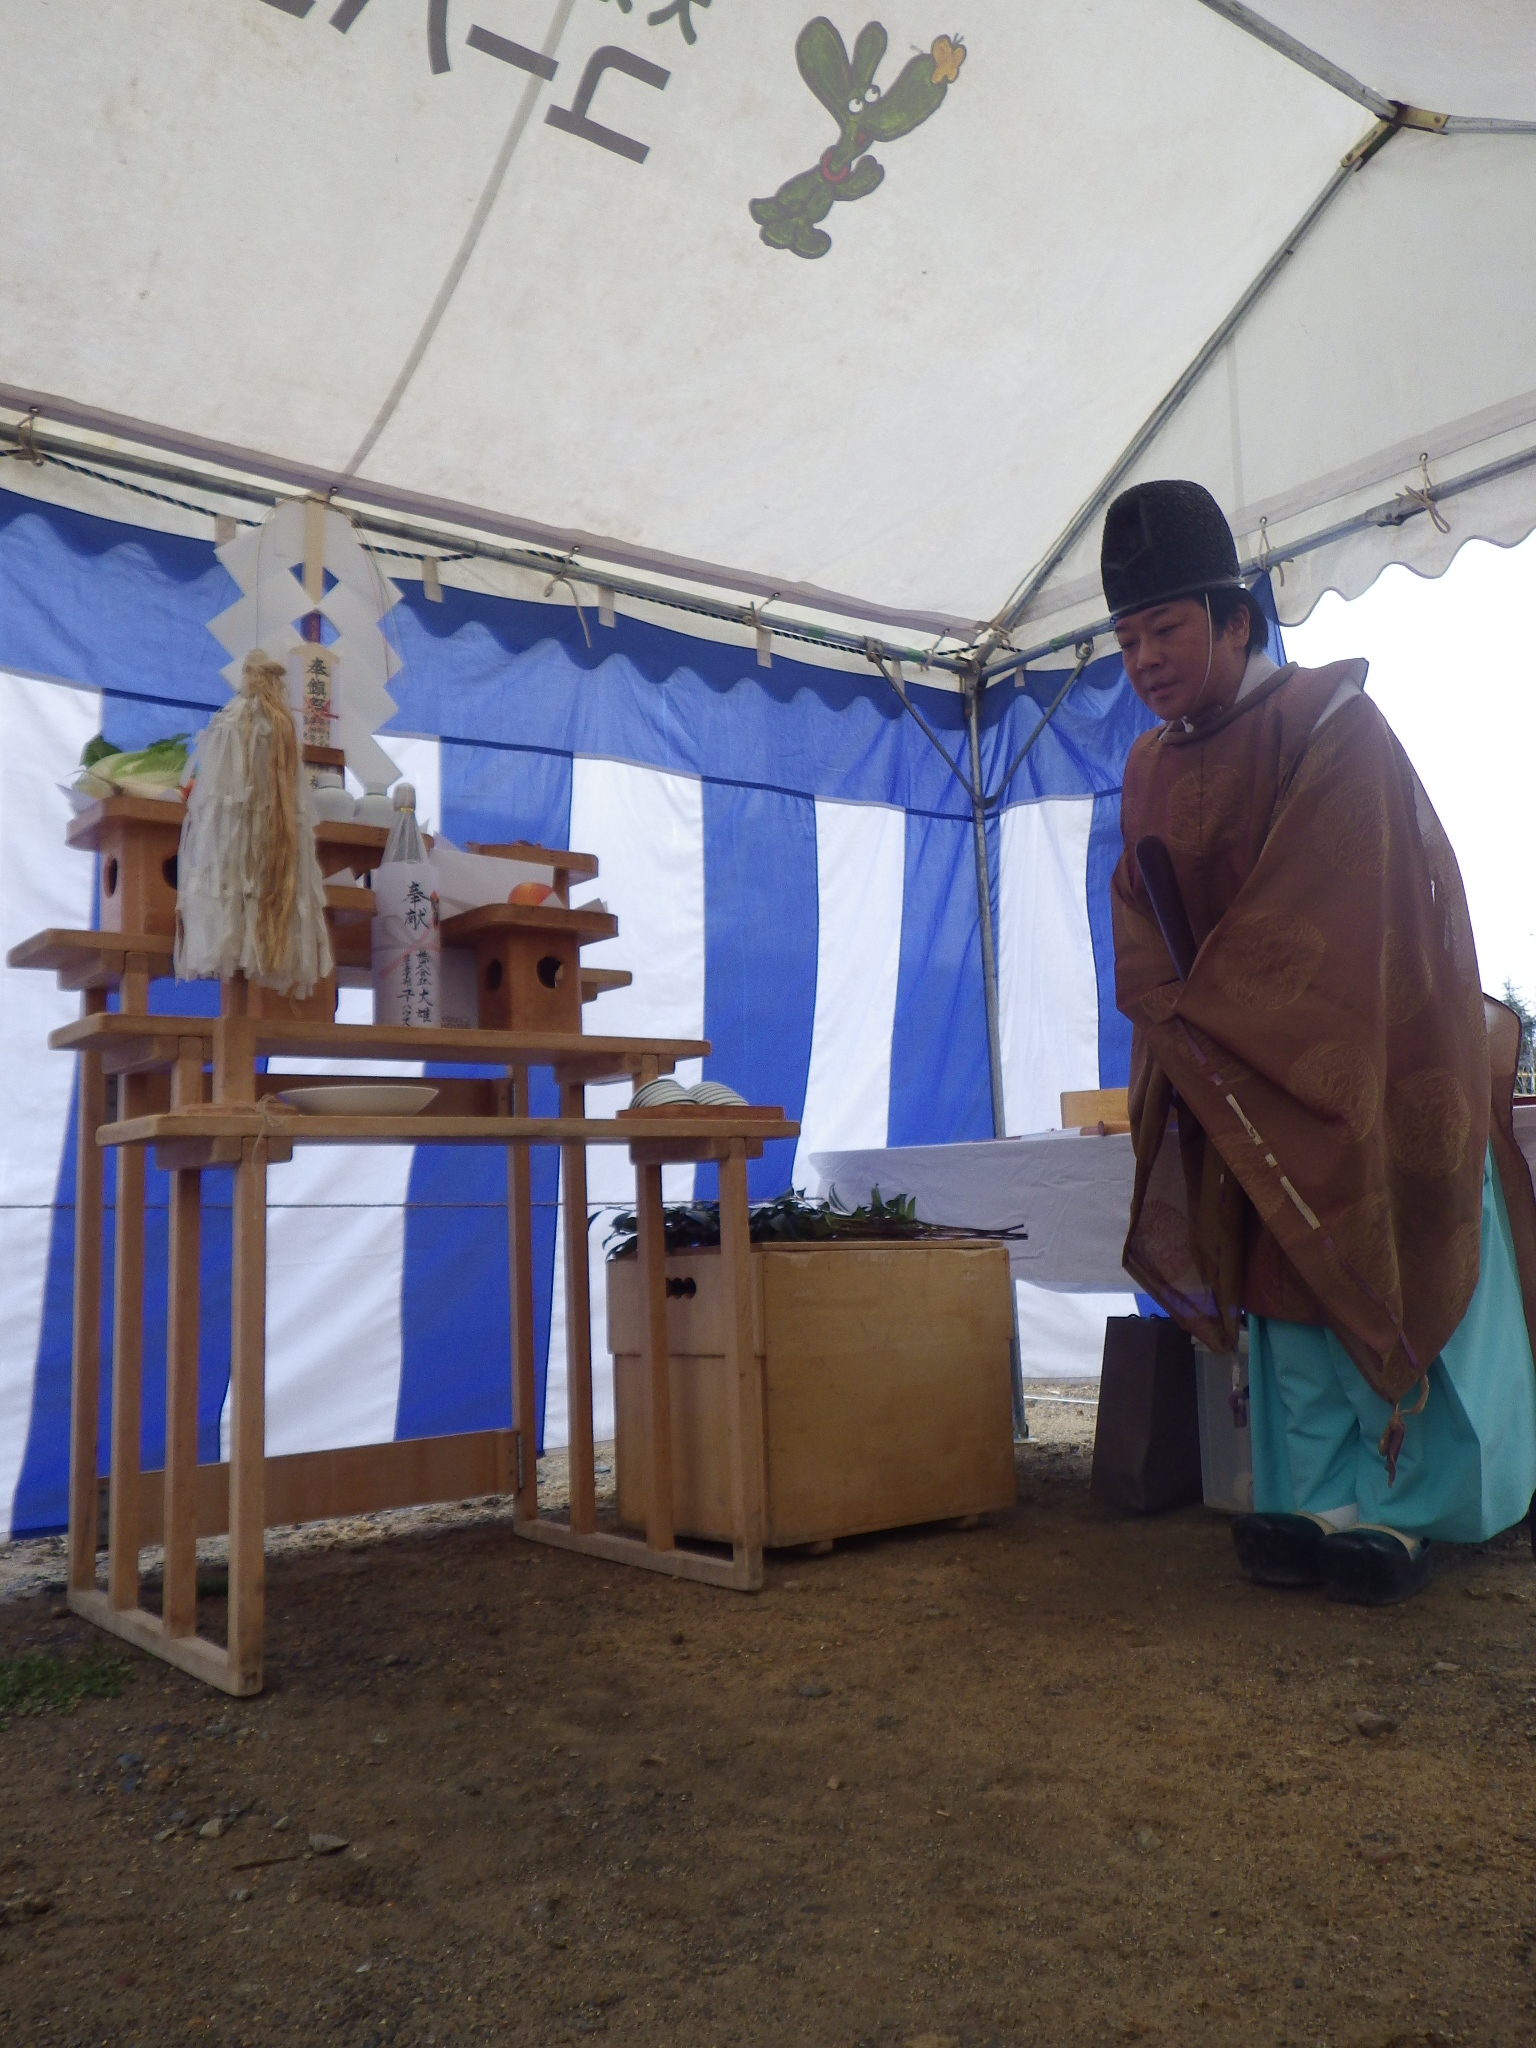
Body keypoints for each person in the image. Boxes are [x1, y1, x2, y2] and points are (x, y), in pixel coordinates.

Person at [1104, 478, 1536, 1604]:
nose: (1144, 660)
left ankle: (1413, 1510)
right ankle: (1315, 1496)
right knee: (1285, 1286)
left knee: (1384, 1255)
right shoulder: (1149, 766)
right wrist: (1182, 1014)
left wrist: (1216, 1008)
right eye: (1128, 640)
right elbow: (1137, 910)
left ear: (1234, 619)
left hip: (1373, 1060)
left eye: (1165, 630)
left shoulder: (1332, 722)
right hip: (1248, 1067)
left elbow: (1344, 896)